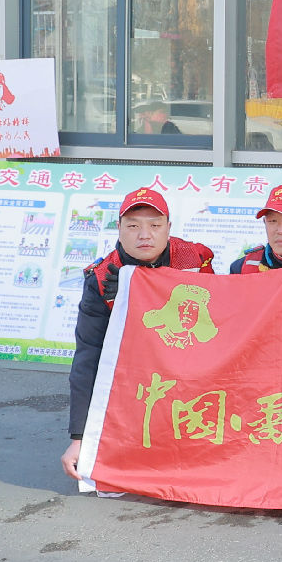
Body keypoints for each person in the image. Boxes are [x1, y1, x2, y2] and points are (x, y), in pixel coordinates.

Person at [60, 188, 215, 481]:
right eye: (133, 226)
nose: (145, 235)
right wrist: (80, 438)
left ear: (168, 227)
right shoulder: (101, 277)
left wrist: (145, 293)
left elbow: (212, 327)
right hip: (137, 379)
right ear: (119, 229)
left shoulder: (194, 259)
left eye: (155, 225)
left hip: (189, 373)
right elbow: (89, 357)